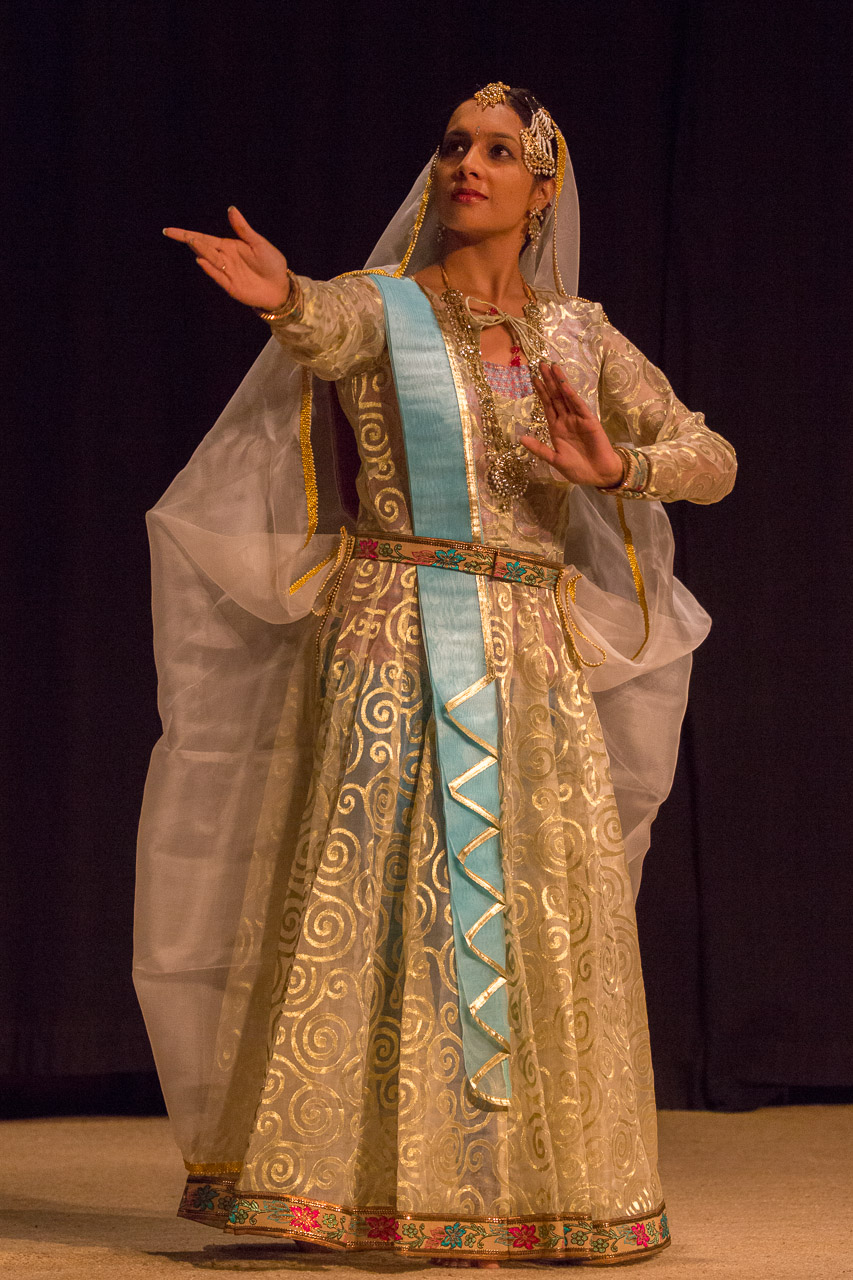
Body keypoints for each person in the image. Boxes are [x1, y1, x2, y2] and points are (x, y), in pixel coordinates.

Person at [135, 84, 736, 1267]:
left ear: (541, 187)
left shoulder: (579, 335)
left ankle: (525, 1186)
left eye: (500, 150)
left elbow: (709, 455)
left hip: (528, 654)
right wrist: (285, 298)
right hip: (392, 633)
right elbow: (323, 326)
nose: (469, 163)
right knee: (379, 895)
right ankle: (363, 1183)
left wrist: (618, 468)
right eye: (455, 144)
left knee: (531, 902)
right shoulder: (384, 306)